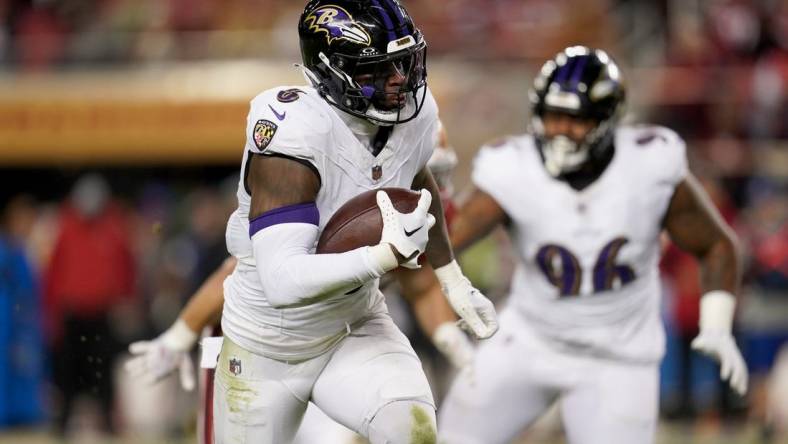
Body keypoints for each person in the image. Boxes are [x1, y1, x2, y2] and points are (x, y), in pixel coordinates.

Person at [144, 1, 496, 442]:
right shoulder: (293, 134)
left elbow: (416, 179)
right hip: (266, 345)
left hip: (353, 325)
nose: (400, 81)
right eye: (377, 70)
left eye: (403, 63)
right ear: (331, 71)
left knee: (412, 430)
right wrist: (381, 255)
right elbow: (283, 281)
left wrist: (453, 279)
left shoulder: (416, 116)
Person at [436, 46, 748, 444]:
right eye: (553, 116)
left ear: (607, 119)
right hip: (530, 339)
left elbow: (718, 245)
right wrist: (432, 198)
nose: (561, 130)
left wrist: (717, 325)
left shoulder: (649, 166)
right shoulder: (514, 168)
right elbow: (444, 242)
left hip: (618, 358)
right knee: (452, 438)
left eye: (576, 119)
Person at [126, 129, 475, 444]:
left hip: (325, 336)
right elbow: (231, 275)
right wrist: (177, 339)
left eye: (438, 175)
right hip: (249, 338)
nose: (436, 188)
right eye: (432, 175)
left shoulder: (399, 222)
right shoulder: (341, 215)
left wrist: (454, 342)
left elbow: (422, 287)